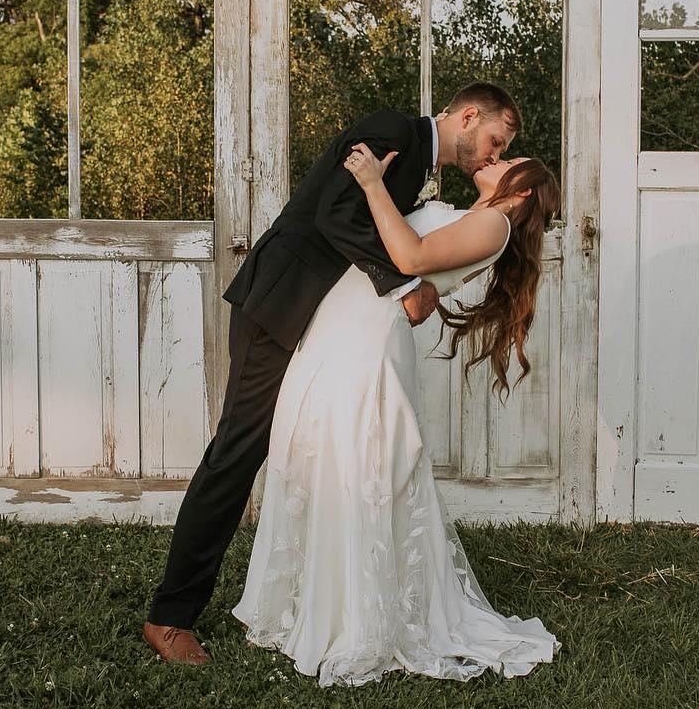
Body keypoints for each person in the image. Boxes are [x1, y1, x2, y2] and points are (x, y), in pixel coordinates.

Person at [142, 82, 521, 665]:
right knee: (238, 450)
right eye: (496, 141)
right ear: (469, 116)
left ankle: (321, 594)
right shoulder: (392, 129)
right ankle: (170, 618)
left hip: (318, 322)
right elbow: (334, 213)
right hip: (279, 304)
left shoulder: (417, 163)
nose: (494, 155)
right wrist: (404, 285)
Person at [229, 141, 563, 686]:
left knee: (356, 465)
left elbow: (409, 258)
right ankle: (324, 605)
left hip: (368, 343)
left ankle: (356, 620)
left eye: (507, 162)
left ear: (521, 192)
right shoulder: (476, 217)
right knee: (325, 457)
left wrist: (371, 184)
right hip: (346, 328)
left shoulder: (495, 226)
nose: (494, 160)